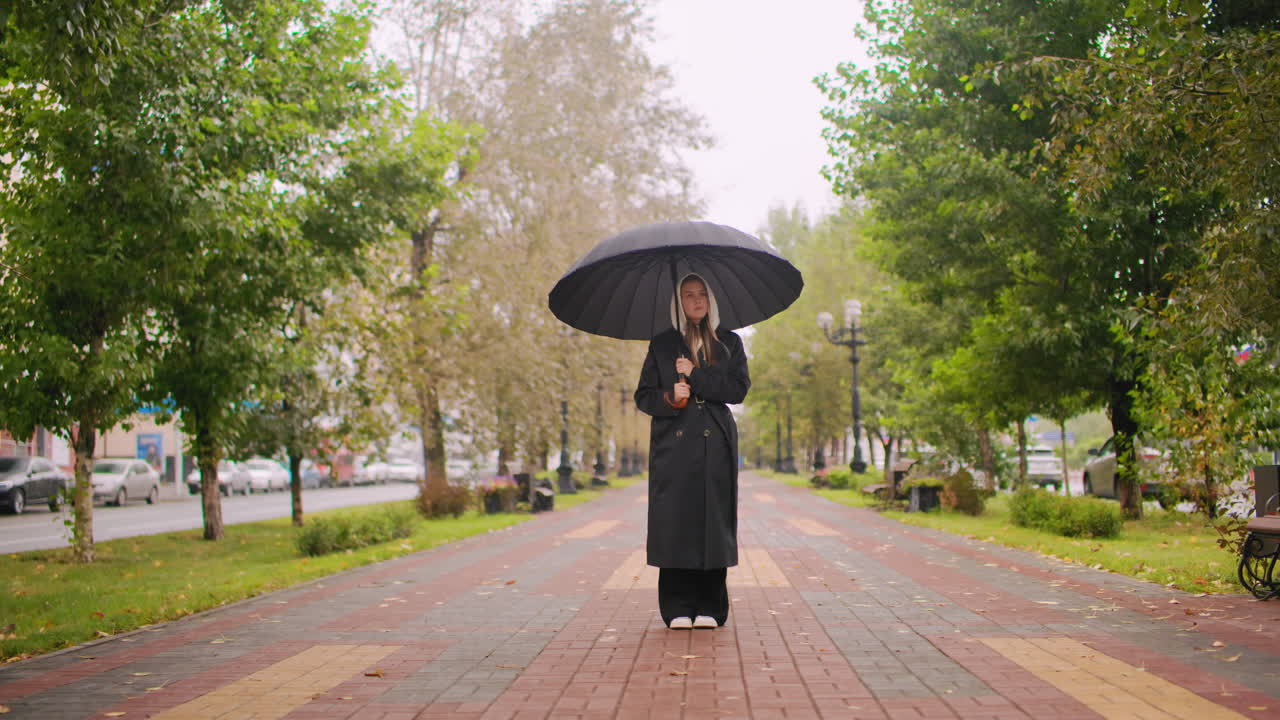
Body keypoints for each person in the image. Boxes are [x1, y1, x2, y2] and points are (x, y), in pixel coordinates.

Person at [634, 273, 750, 629]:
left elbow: (737, 390)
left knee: (712, 520)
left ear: (711, 300)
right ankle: (677, 607)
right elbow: (643, 396)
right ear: (678, 303)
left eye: (702, 294)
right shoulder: (662, 344)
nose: (697, 300)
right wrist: (671, 397)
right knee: (675, 520)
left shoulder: (728, 342)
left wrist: (696, 375)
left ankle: (711, 606)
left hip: (716, 444)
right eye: (688, 295)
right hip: (674, 444)